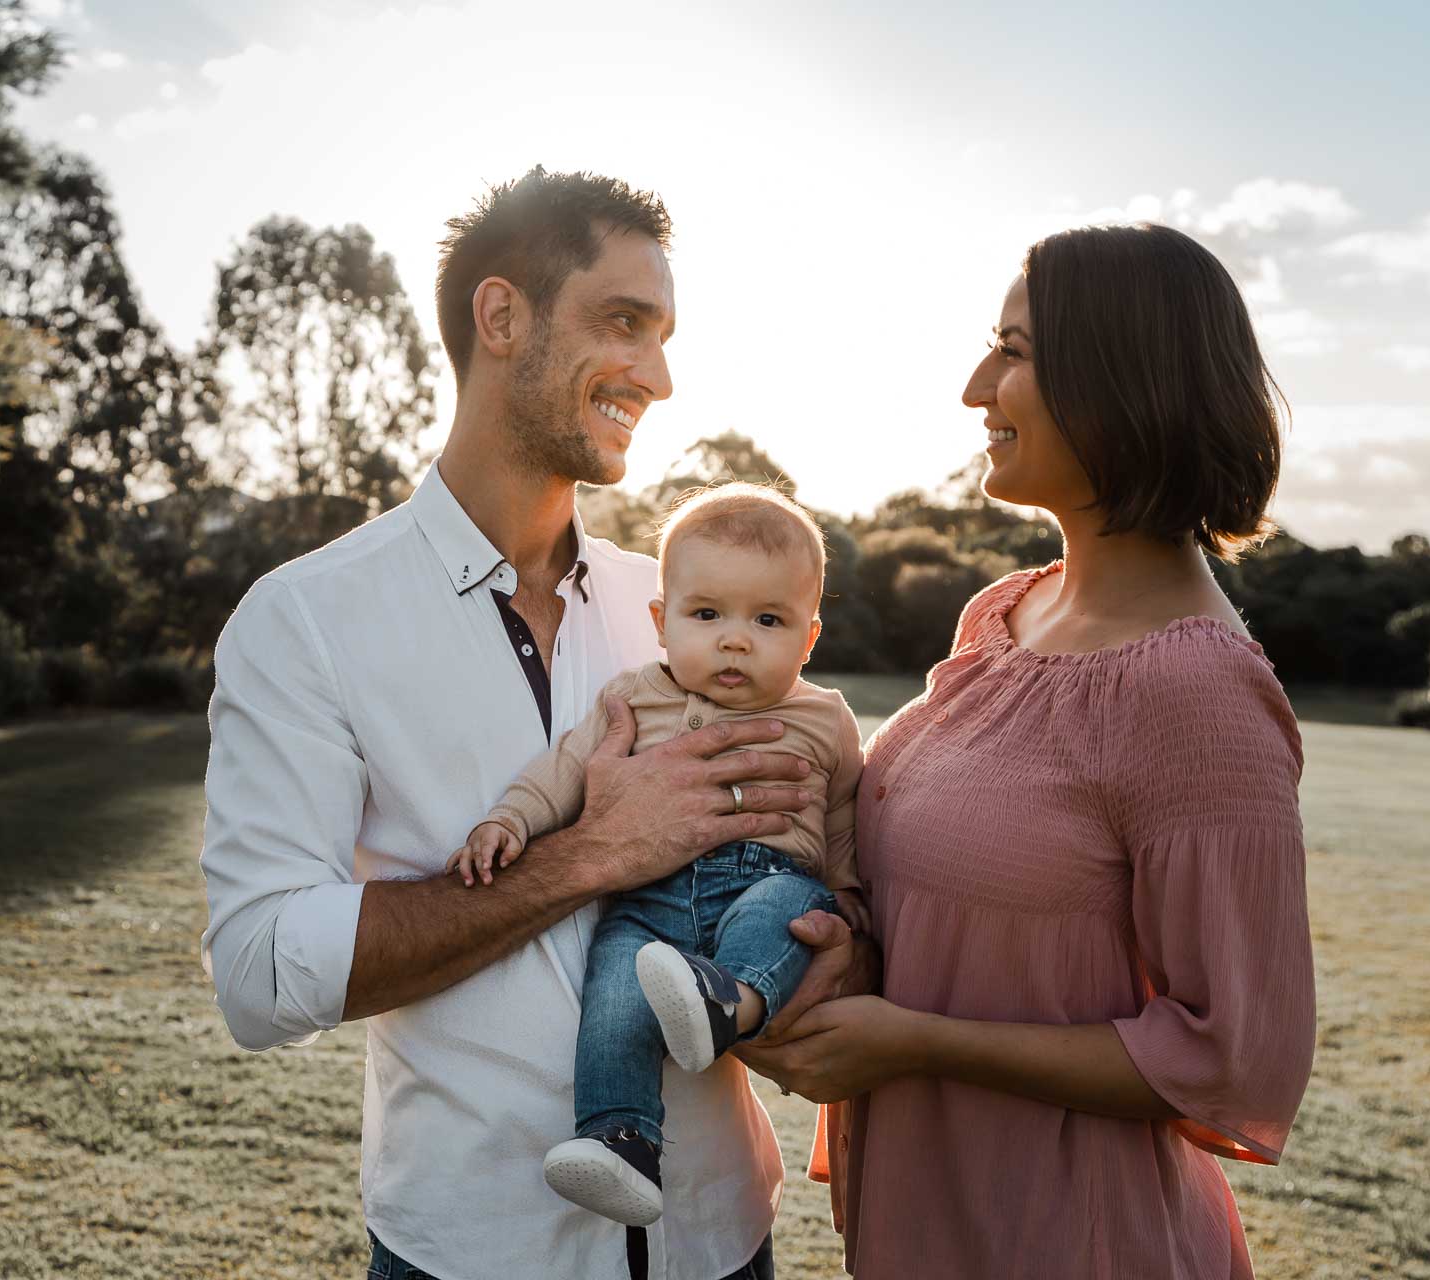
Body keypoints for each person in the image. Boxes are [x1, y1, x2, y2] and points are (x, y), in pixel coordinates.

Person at [197, 167, 862, 1280]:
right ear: (501, 316)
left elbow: (826, 844)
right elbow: (260, 974)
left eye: (664, 335)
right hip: (469, 1250)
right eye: (624, 323)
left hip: (723, 1240)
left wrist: (828, 947)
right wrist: (594, 852)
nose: (657, 373)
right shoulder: (306, 617)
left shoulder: (685, 614)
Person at [737, 223, 1317, 1279]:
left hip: (1077, 1242)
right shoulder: (1004, 614)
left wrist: (914, 1040)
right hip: (929, 1228)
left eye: (1012, 350)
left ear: (1119, 378)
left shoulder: (1199, 693)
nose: (974, 388)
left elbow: (1237, 1053)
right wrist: (848, 957)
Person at [443, 483, 871, 1228]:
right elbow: (568, 770)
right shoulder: (635, 698)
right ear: (661, 622)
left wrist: (849, 893)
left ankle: (729, 1001)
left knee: (786, 914)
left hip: (770, 880)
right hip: (649, 902)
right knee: (612, 989)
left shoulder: (824, 717)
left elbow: (842, 820)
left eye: (768, 620)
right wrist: (511, 819)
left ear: (809, 638)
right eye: (707, 615)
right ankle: (619, 1137)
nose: (735, 639)